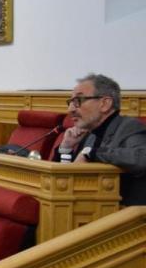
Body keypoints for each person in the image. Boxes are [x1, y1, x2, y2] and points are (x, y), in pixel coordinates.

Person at [55, 73, 146, 205]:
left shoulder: (129, 127)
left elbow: (142, 157)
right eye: (70, 102)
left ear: (105, 104)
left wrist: (92, 153)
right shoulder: (90, 134)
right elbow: (65, 178)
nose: (70, 109)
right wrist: (66, 148)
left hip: (124, 215)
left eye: (78, 101)